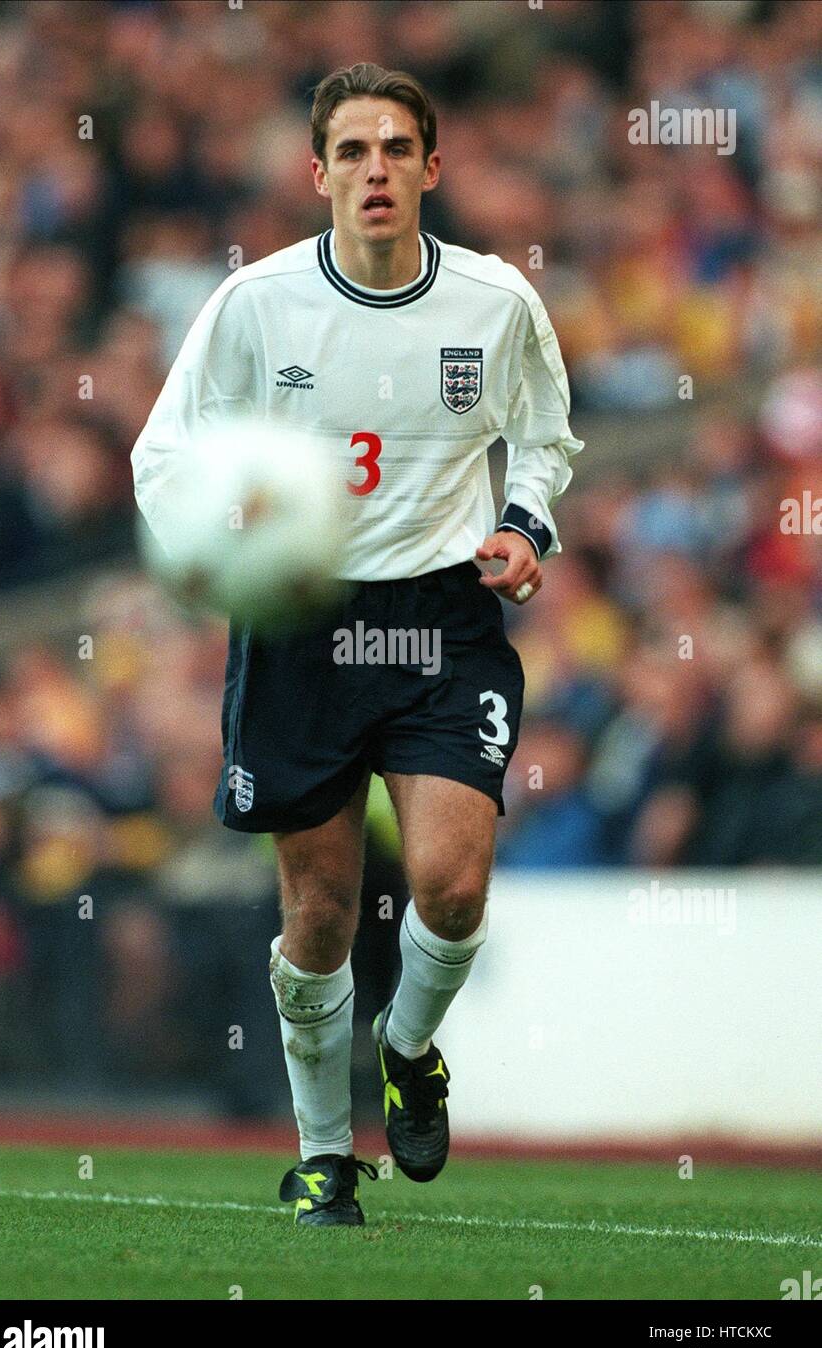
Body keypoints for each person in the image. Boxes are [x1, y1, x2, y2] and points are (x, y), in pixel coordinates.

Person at [131, 63, 583, 1226]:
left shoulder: (494, 302)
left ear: (432, 168)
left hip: (441, 616)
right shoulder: (255, 305)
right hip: (301, 619)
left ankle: (410, 1044)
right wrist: (210, 534)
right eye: (351, 151)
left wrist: (524, 524)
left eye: (394, 149)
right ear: (316, 171)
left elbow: (543, 431)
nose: (373, 169)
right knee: (320, 912)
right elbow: (164, 453)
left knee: (451, 883)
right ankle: (324, 1153)